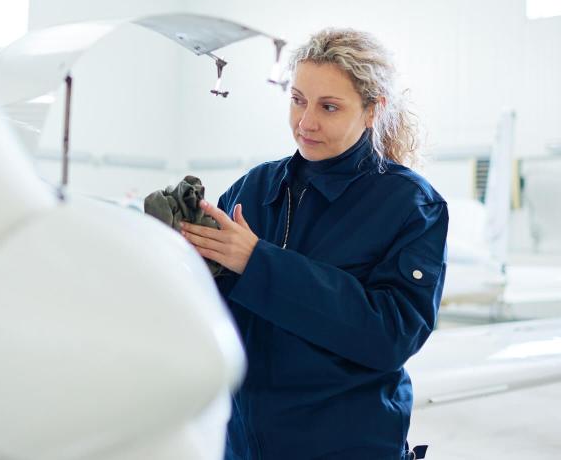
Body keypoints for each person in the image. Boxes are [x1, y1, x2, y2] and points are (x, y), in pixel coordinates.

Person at [180, 28, 447, 459]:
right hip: (244, 444)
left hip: (347, 445)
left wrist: (258, 263)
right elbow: (214, 313)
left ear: (371, 111)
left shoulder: (410, 204)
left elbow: (393, 335)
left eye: (329, 107)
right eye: (298, 99)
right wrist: (187, 256)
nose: (305, 122)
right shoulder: (255, 187)